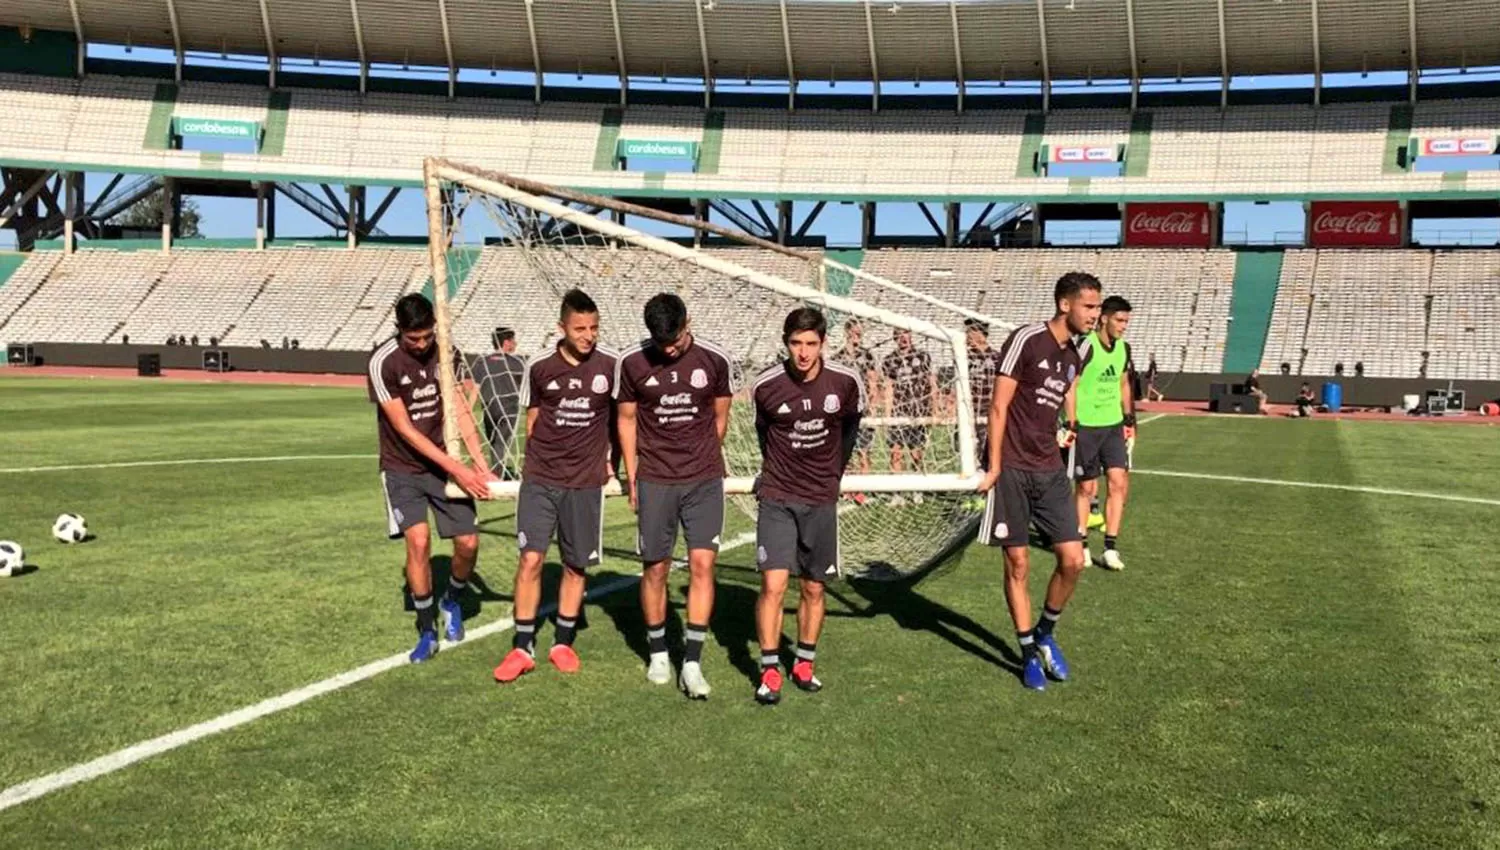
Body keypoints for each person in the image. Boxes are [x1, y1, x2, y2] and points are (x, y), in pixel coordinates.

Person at [976, 271, 1102, 690]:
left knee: (1072, 558)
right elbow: (998, 407)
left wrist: (1069, 422)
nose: (1095, 314)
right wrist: (994, 467)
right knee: (1018, 562)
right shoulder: (1026, 340)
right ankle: (1028, 651)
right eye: (1089, 306)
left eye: (1098, 307)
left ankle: (1047, 631)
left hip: (1048, 468)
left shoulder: (1076, 353)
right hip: (1011, 467)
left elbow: (1061, 395)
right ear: (1065, 304)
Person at [494, 290, 619, 683]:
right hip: (541, 479)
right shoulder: (540, 367)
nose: (588, 335)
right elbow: (532, 421)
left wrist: (611, 460)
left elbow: (620, 419)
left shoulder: (611, 366)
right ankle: (522, 645)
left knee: (574, 563)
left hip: (585, 482)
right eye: (580, 328)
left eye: (594, 327)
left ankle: (563, 642)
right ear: (561, 328)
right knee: (530, 559)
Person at [615, 293, 734, 699]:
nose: (669, 349)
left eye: (676, 340)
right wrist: (633, 475)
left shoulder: (714, 361)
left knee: (703, 565)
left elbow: (720, 415)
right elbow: (626, 420)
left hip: (703, 480)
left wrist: (701, 458)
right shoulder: (632, 363)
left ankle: (694, 662)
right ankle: (659, 651)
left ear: (688, 322)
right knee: (656, 568)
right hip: (656, 480)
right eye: (661, 342)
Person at [368, 293, 494, 663]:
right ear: (400, 332)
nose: (422, 345)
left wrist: (479, 462)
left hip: (443, 465)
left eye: (427, 336)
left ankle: (451, 599)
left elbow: (457, 405)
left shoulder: (445, 350)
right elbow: (404, 429)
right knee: (419, 542)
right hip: (402, 468)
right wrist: (458, 468)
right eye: (414, 339)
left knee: (469, 543)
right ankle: (427, 629)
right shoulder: (382, 362)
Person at [750, 307, 865, 705]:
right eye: (796, 343)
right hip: (778, 497)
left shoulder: (845, 383)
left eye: (811, 344)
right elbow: (764, 434)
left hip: (820, 499)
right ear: (786, 343)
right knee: (773, 584)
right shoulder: (766, 386)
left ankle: (803, 661)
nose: (803, 352)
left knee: (814, 586)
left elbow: (850, 428)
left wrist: (834, 474)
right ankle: (768, 669)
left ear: (823, 344)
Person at [1065, 295, 1136, 572]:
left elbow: (1123, 384)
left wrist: (1128, 418)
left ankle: (1110, 547)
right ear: (1104, 318)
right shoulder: (1086, 346)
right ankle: (1081, 542)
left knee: (1119, 483)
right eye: (1120, 320)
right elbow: (1071, 384)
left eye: (1127, 321)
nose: (1123, 326)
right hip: (1087, 427)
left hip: (1113, 426)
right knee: (1086, 487)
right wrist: (1071, 421)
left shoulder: (1124, 349)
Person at [468, 327, 527, 477]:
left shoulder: (482, 362)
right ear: (506, 342)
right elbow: (526, 387)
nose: (515, 343)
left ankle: (496, 471)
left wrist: (468, 410)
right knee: (501, 442)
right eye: (513, 340)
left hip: (489, 407)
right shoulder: (517, 362)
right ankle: (497, 474)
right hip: (509, 407)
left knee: (494, 442)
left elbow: (474, 388)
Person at [881, 328, 936, 473]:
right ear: (895, 338)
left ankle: (916, 489)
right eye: (899, 334)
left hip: (918, 410)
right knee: (896, 453)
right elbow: (888, 388)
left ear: (911, 335)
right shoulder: (889, 360)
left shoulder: (922, 356)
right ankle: (896, 492)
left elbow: (931, 382)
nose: (903, 337)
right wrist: (887, 416)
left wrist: (934, 408)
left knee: (916, 453)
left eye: (906, 333)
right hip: (898, 411)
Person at [830, 319, 879, 481]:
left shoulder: (867, 355)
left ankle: (864, 487)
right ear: (847, 332)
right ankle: (850, 488)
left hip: (863, 409)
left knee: (863, 450)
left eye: (860, 331)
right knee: (846, 450)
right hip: (845, 410)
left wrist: (872, 405)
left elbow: (873, 383)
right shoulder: (838, 357)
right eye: (855, 331)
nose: (859, 334)